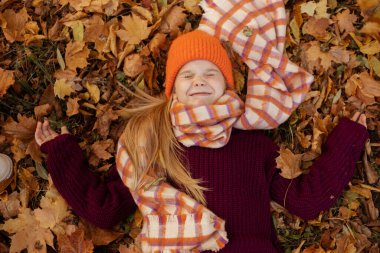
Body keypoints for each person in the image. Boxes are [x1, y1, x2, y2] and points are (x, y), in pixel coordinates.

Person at [35, 29, 369, 252]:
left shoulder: (253, 145)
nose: (199, 81)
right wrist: (61, 154)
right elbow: (104, 208)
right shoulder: (152, 145)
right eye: (187, 75)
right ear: (172, 89)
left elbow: (303, 201)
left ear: (227, 85)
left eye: (211, 73)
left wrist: (346, 143)